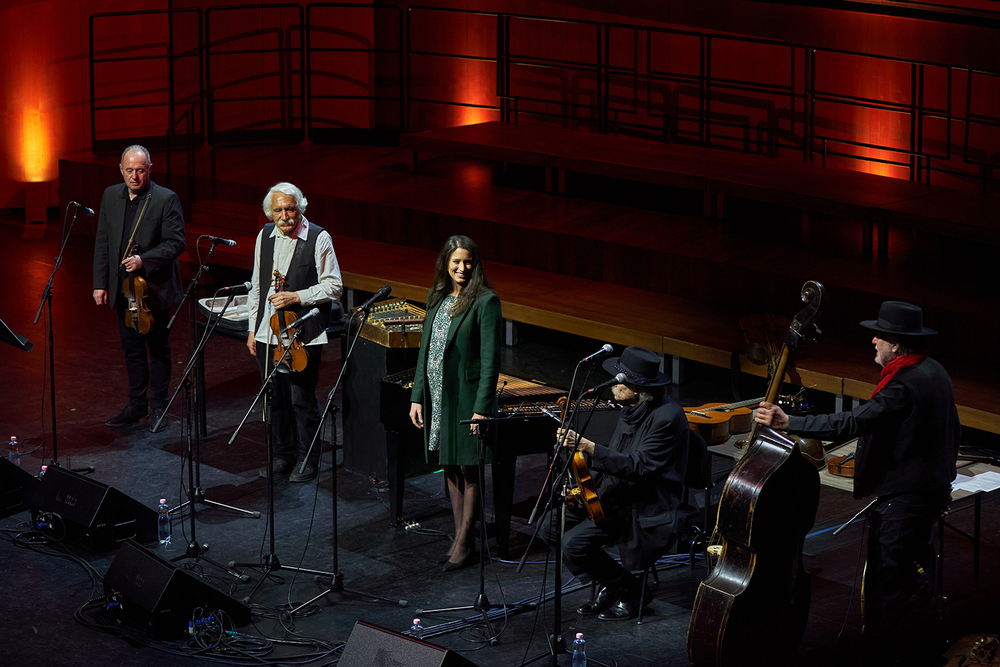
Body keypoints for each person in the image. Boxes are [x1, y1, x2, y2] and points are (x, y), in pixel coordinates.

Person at [755, 300, 960, 664]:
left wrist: (790, 423)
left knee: (890, 581)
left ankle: (896, 652)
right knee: (914, 571)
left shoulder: (904, 386)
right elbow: (953, 432)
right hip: (927, 491)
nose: (873, 342)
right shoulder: (934, 371)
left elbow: (853, 422)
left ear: (896, 344)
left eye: (879, 336)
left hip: (907, 496)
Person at [543, 346, 694, 621]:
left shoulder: (666, 417)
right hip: (618, 495)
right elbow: (615, 460)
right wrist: (583, 491)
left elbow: (639, 466)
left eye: (620, 382)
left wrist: (589, 447)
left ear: (638, 388)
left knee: (573, 543)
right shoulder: (631, 408)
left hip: (646, 505)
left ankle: (631, 591)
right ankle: (610, 585)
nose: (613, 386)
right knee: (550, 526)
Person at [408, 235, 502, 572]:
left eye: (468, 262)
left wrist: (481, 407)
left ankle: (464, 541)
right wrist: (418, 396)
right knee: (449, 463)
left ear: (475, 264)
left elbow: (491, 360)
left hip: (466, 398)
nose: (462, 268)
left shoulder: (486, 302)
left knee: (469, 466)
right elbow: (425, 352)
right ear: (445, 263)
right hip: (438, 397)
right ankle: (459, 534)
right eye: (456, 262)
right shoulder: (437, 297)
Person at [246, 183, 342, 483]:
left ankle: (308, 459)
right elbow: (258, 287)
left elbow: (334, 286)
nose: (285, 216)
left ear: (301, 207)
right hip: (268, 333)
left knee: (302, 398)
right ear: (270, 212)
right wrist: (253, 330)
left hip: (304, 332)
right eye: (278, 210)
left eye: (290, 209)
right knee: (275, 399)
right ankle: (283, 456)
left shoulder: (319, 237)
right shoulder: (265, 235)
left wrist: (297, 296)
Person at [93, 145, 186, 433]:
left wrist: (143, 260)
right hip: (122, 288)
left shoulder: (165, 198)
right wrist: (100, 282)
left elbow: (176, 242)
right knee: (131, 349)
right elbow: (103, 241)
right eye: (130, 170)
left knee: (158, 348)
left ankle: (159, 405)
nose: (135, 176)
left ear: (150, 169)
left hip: (154, 289)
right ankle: (137, 403)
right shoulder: (111, 195)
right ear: (121, 169)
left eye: (140, 170)